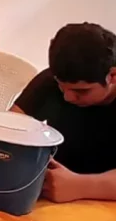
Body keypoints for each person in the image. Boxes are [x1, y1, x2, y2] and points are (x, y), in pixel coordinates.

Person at [12, 23, 116, 203]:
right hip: (47, 193)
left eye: (81, 91)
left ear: (112, 76)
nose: (68, 97)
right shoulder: (50, 79)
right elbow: (9, 123)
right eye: (61, 87)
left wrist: (82, 186)